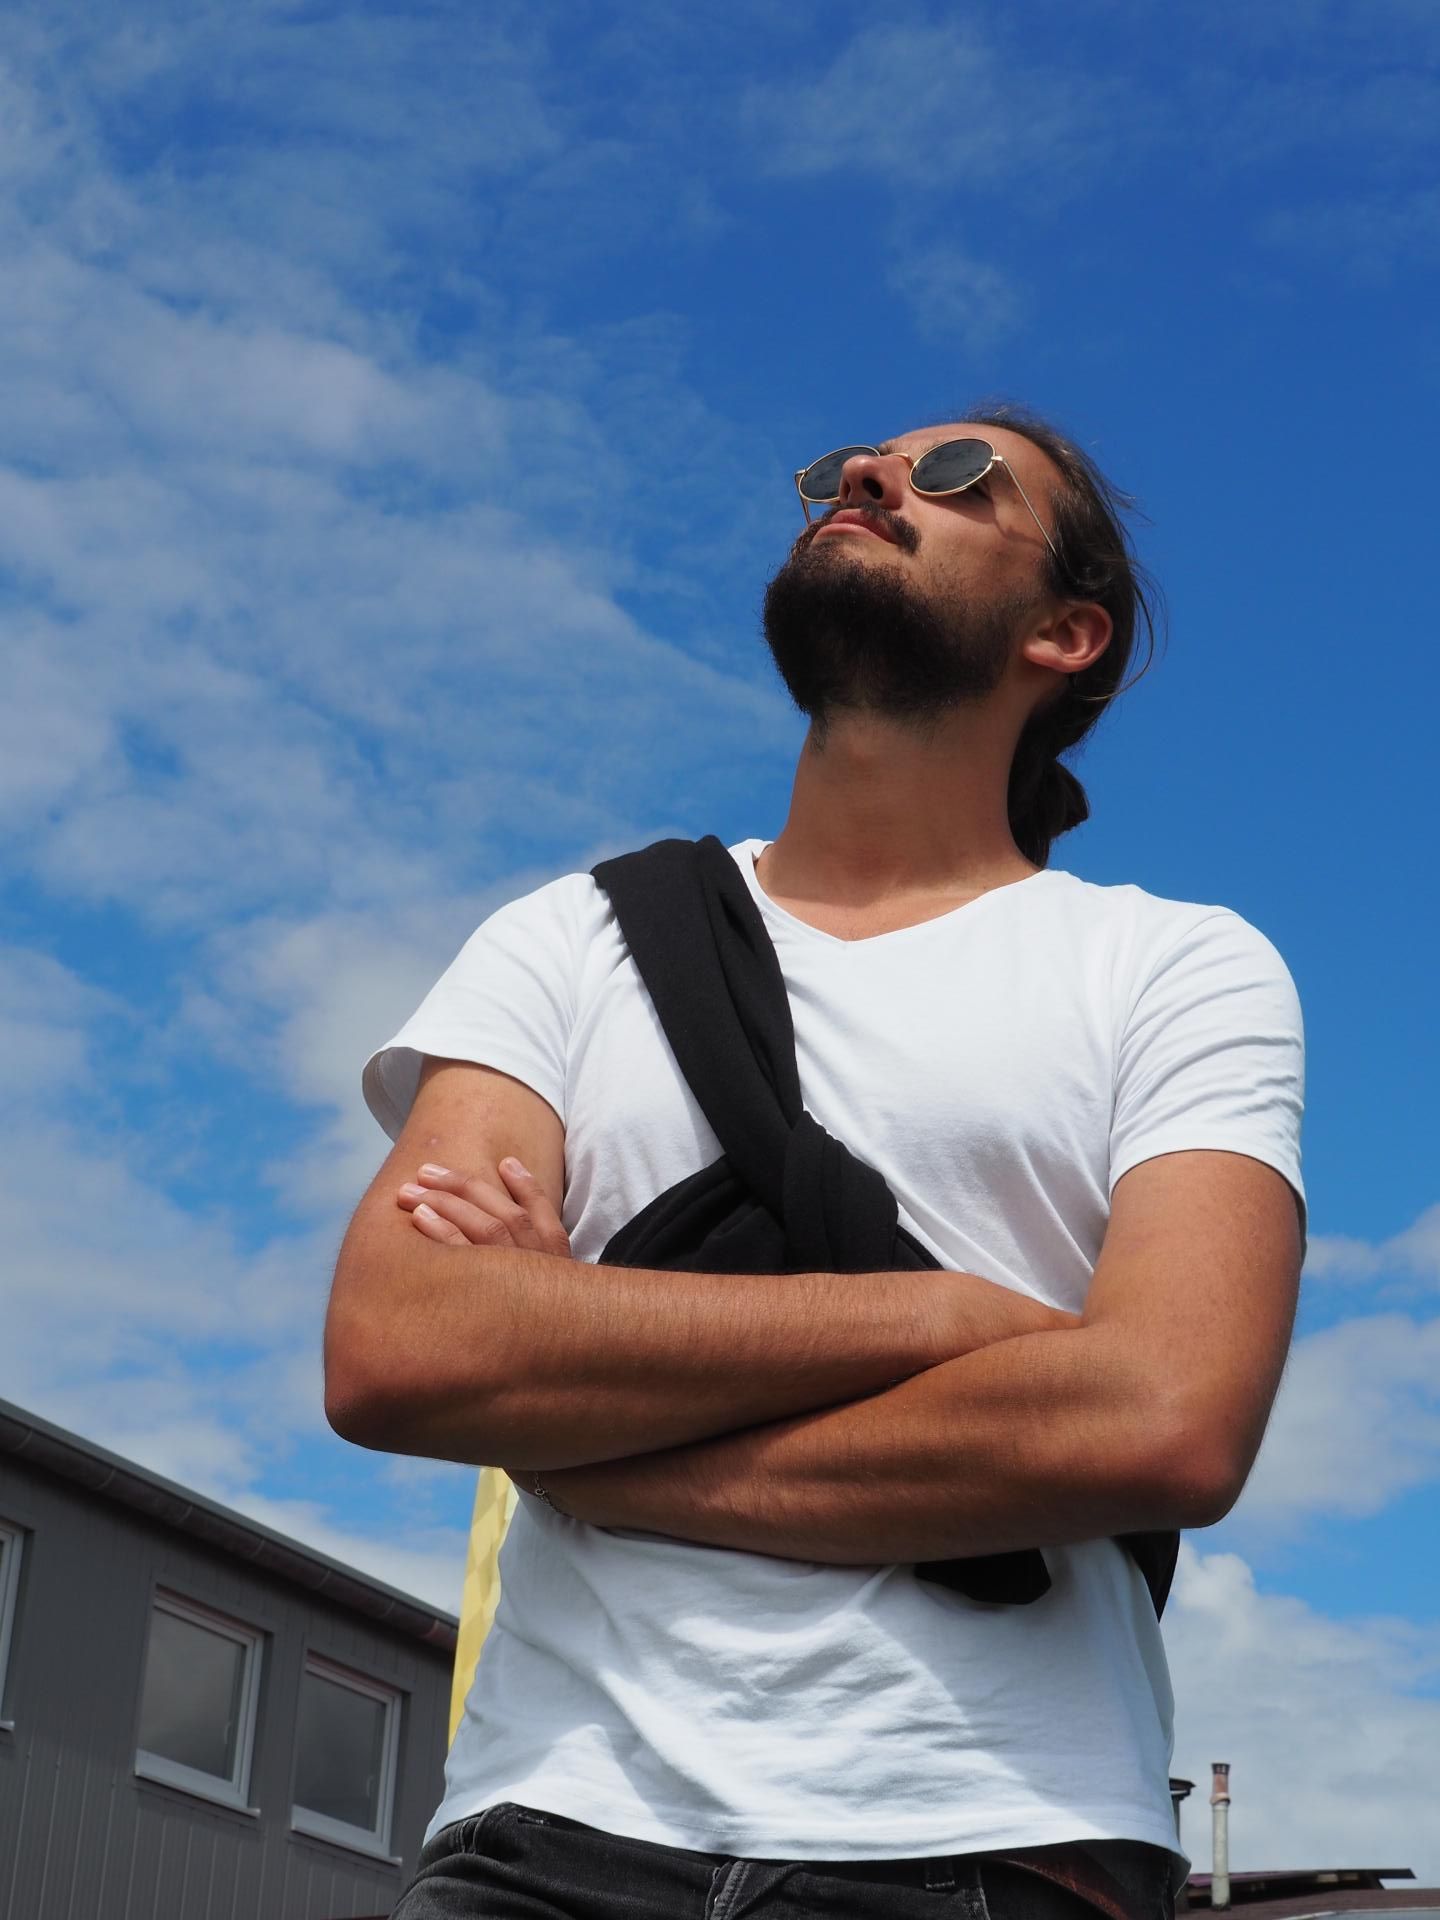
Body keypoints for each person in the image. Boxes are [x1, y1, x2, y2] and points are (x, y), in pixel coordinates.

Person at [326, 407, 1306, 1920]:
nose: (866, 476)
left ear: (1064, 633)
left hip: (998, 1841)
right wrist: (947, 1318)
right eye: (850, 468)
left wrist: (592, 1446)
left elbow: (1165, 1422)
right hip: (550, 1832)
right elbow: (399, 1347)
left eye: (959, 476)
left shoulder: (1178, 968)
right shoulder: (566, 939)